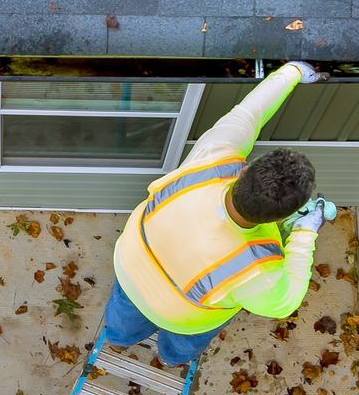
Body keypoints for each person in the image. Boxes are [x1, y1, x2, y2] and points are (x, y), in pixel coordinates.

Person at [101, 60, 328, 369]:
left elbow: (250, 113)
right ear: (279, 219)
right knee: (186, 338)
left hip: (131, 265)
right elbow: (285, 301)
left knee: (124, 314)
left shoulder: (214, 159)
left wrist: (292, 73)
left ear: (245, 169)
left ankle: (119, 339)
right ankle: (170, 358)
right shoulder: (255, 269)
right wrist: (305, 232)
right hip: (182, 315)